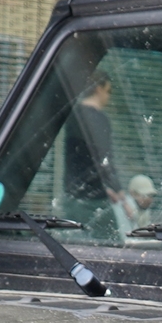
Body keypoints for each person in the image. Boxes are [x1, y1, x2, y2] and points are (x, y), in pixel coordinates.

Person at [61, 72, 119, 223]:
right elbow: (103, 156)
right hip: (93, 200)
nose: (109, 96)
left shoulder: (74, 114)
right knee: (111, 244)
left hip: (73, 194)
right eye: (109, 91)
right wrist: (117, 189)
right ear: (99, 89)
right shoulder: (99, 118)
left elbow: (84, 158)